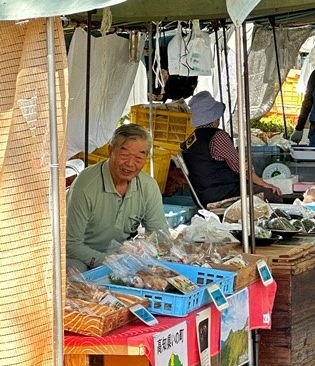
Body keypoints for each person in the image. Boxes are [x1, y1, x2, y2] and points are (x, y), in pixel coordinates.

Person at [66, 124, 169, 272]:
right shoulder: (85, 185)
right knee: (76, 279)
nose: (130, 164)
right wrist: (109, 262)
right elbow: (71, 244)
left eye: (139, 158)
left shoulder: (148, 186)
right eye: (124, 155)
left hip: (121, 256)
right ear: (110, 150)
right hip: (79, 256)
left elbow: (159, 235)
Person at [182, 91, 282, 207]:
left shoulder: (191, 140)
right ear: (215, 117)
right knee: (272, 195)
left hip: (201, 195)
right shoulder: (218, 137)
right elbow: (241, 167)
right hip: (223, 193)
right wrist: (264, 184)